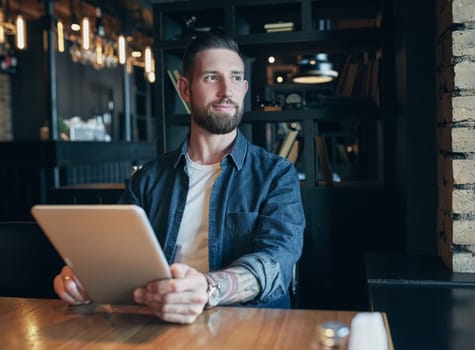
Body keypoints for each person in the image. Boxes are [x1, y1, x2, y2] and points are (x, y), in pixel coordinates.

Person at [54, 33, 305, 324]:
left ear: (245, 87)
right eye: (212, 77)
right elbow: (116, 257)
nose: (227, 91)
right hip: (159, 326)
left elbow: (276, 263)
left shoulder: (277, 175)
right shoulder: (147, 180)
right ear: (185, 90)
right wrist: (87, 278)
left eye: (236, 78)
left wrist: (208, 288)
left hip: (250, 329)